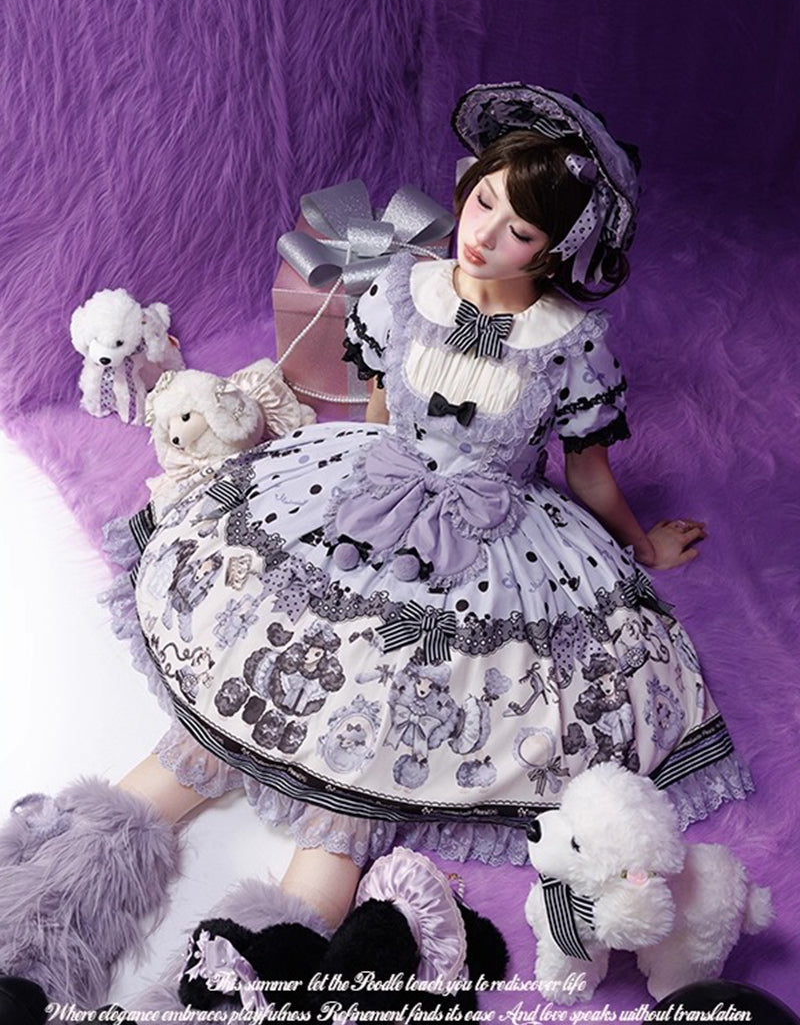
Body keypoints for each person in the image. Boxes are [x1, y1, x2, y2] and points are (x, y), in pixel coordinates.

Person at [0, 83, 753, 1010]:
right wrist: (347, 486)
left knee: (369, 764)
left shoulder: (571, 343)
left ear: (555, 248)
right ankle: (30, 932)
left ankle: (239, 987)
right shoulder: (405, 287)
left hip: (493, 534)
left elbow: (588, 470)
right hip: (371, 489)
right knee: (224, 715)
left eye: (519, 229)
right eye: (483, 201)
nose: (485, 234)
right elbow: (377, 410)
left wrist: (641, 544)